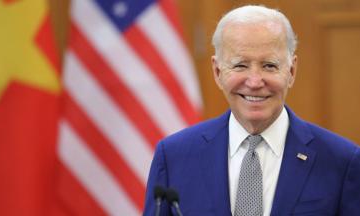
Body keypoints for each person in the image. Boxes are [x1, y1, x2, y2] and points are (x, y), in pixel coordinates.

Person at [143, 5, 360, 216]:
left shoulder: (342, 161)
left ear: (291, 71)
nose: (255, 82)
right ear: (217, 71)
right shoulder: (174, 157)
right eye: (240, 65)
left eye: (269, 65)